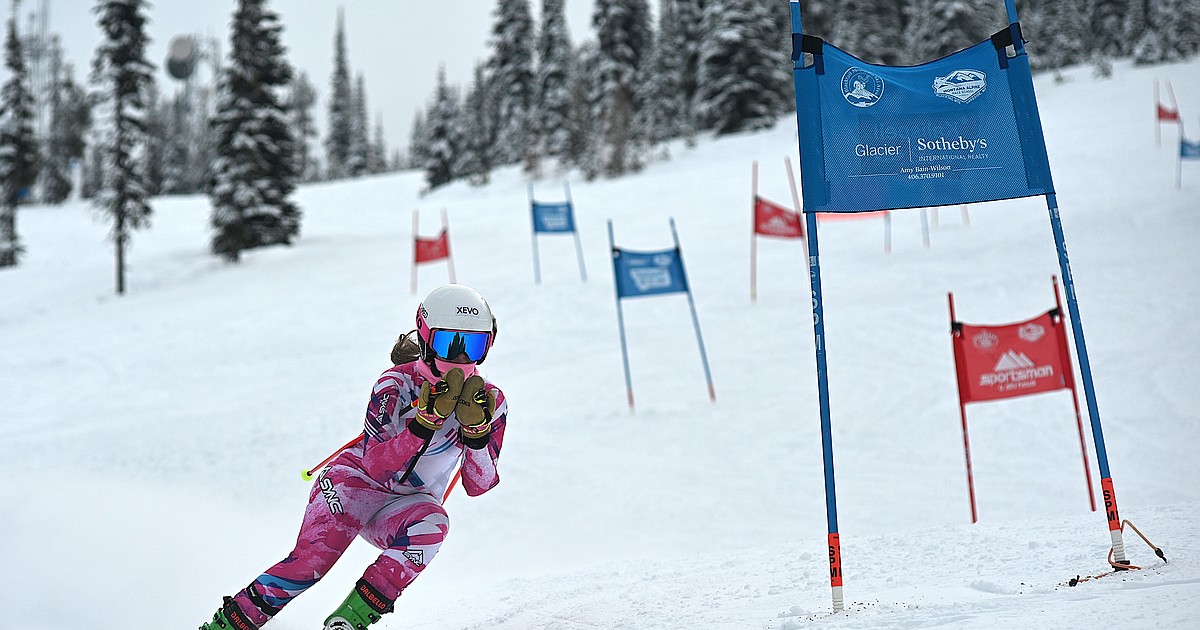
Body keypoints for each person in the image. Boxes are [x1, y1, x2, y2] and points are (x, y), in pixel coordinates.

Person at [199, 284, 508, 630]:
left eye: (474, 346)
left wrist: (477, 435)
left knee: (434, 523)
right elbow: (375, 464)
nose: (460, 359)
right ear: (424, 337)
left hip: (404, 507)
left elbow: (478, 485)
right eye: (448, 343)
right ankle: (224, 627)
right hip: (353, 487)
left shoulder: (490, 403)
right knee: (310, 565)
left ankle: (348, 621)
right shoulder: (394, 384)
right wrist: (422, 425)